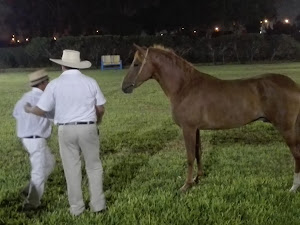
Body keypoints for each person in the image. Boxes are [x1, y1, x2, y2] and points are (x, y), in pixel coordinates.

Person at [24, 49, 106, 216]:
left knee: (71, 169)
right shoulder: (90, 81)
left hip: (66, 130)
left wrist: (30, 109)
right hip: (88, 128)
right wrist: (98, 119)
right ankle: (98, 206)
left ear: (63, 66)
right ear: (78, 66)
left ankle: (77, 209)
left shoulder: (54, 84)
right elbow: (100, 108)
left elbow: (42, 109)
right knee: (94, 167)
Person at [13, 69, 55, 210]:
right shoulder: (45, 99)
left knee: (49, 163)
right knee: (39, 171)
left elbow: (16, 114)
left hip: (26, 139)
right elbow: (55, 117)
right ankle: (31, 204)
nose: (48, 83)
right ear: (42, 84)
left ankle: (28, 189)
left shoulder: (24, 97)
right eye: (47, 81)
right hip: (36, 139)